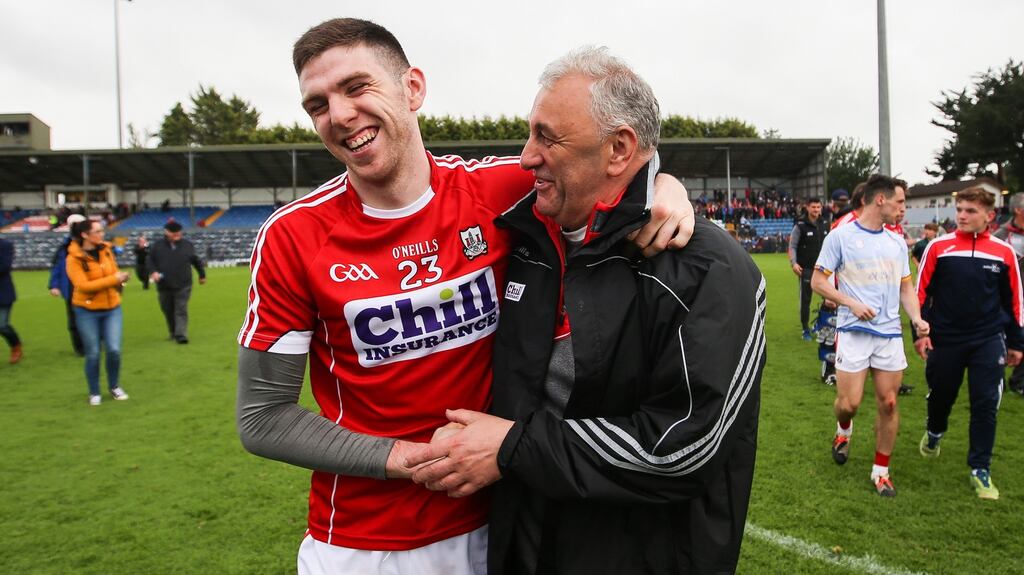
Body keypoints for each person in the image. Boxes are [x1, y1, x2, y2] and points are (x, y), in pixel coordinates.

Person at [234, 18, 693, 575]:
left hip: (495, 524)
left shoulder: (499, 192)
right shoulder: (293, 236)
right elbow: (263, 417)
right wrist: (399, 458)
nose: (339, 115)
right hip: (362, 543)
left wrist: (666, 186)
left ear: (413, 89)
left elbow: (606, 163)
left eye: (357, 87)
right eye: (317, 105)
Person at [405, 47, 764, 574]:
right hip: (524, 543)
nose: (526, 157)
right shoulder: (526, 238)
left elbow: (683, 449)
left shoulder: (709, 270)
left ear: (619, 150)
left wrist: (512, 447)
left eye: (547, 137)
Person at [810, 174, 929, 497]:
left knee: (889, 403)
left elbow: (906, 286)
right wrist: (851, 303)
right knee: (849, 404)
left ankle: (881, 471)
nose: (903, 208)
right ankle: (843, 429)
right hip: (853, 332)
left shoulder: (896, 243)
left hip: (889, 334)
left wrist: (917, 319)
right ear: (881, 200)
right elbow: (818, 283)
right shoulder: (841, 236)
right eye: (900, 201)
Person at [915, 188, 1023, 500]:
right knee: (941, 396)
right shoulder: (938, 247)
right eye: (960, 209)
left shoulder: (1003, 253)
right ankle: (935, 432)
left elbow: (1014, 301)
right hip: (946, 339)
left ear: (989, 216)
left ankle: (980, 468)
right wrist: (921, 335)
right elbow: (920, 295)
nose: (962, 215)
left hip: (988, 339)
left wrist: (1017, 343)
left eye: (970, 211)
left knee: (986, 402)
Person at [65, 219, 130, 406]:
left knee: (114, 350)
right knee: (93, 352)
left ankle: (114, 385)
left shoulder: (106, 250)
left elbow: (114, 273)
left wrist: (121, 280)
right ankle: (94, 391)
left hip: (112, 308)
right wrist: (113, 279)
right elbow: (82, 286)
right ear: (85, 235)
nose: (102, 234)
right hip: (86, 310)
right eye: (98, 231)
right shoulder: (73, 258)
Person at [147, 221, 205, 344]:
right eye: (174, 233)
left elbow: (195, 260)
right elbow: (150, 261)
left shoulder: (187, 245)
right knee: (167, 309)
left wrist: (202, 275)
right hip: (164, 285)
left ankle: (181, 335)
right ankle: (173, 332)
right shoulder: (157, 246)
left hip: (183, 283)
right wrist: (153, 272)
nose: (177, 235)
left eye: (179, 232)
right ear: (166, 232)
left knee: (181, 309)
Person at [993, 192, 1024, 396]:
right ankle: (996, 377)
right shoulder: (1001, 237)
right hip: (1006, 297)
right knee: (1000, 338)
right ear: (1018, 210)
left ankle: (1019, 381)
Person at [789, 197, 829, 339]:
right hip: (806, 269)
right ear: (807, 207)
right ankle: (805, 328)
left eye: (818, 207)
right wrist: (794, 263)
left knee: (829, 298)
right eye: (813, 207)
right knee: (805, 300)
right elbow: (792, 246)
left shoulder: (825, 223)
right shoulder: (800, 225)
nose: (816, 210)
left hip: (824, 270)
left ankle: (820, 324)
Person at [48, 213, 87, 355]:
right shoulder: (65, 247)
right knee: (74, 320)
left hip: (91, 286)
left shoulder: (93, 245)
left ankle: (93, 341)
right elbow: (58, 266)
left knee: (94, 315)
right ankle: (80, 348)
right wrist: (54, 285)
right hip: (71, 287)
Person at [0, 236, 22, 364]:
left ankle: (15, 346)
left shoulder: (5, 245)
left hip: (3, 292)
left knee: (2, 325)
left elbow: (4, 266)